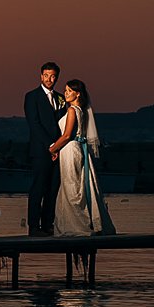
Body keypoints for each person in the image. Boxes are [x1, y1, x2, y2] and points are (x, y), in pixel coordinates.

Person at [50, 79, 115, 236]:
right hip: (76, 148)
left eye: (69, 91)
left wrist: (52, 148)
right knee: (76, 185)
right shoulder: (82, 110)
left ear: (77, 93)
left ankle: (77, 225)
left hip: (71, 149)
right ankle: (84, 222)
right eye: (65, 90)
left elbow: (67, 135)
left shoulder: (73, 110)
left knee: (72, 186)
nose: (65, 93)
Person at [24, 61, 64, 234]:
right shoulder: (32, 96)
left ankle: (48, 224)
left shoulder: (61, 98)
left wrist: (58, 147)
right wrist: (51, 146)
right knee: (38, 188)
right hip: (41, 150)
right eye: (46, 75)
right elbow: (34, 124)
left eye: (53, 76)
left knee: (53, 188)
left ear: (57, 77)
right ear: (41, 76)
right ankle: (34, 226)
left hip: (59, 150)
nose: (49, 79)